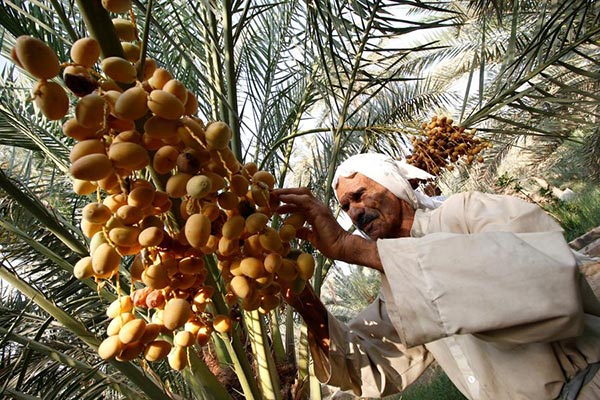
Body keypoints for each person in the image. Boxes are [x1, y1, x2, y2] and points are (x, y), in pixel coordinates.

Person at [271, 152, 600, 400]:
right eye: (345, 207)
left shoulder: (466, 213)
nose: (355, 211)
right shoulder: (398, 286)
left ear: (395, 186)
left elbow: (541, 278)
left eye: (359, 195)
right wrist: (304, 300)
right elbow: (371, 366)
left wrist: (352, 248)